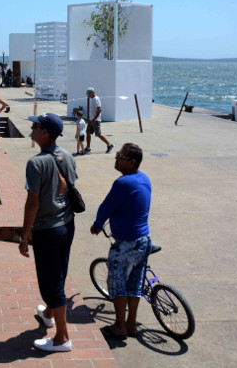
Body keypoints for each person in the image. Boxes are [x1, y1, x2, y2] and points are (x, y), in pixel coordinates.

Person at [19, 113, 77, 353]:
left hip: (47, 229)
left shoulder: (36, 163)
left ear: (45, 133)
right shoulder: (69, 156)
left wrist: (24, 236)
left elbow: (32, 203)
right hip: (67, 224)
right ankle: (50, 312)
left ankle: (62, 337)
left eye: (35, 126)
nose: (32, 129)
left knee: (51, 281)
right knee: (59, 271)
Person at [90, 143, 151, 340]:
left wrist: (98, 225)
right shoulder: (144, 179)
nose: (116, 158)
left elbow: (105, 207)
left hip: (126, 242)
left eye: (120, 156)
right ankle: (131, 324)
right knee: (134, 283)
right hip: (143, 240)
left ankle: (119, 326)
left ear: (131, 162)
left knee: (117, 283)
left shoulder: (122, 183)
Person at [86, 87, 114, 154]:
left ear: (92, 93)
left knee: (98, 134)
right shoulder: (92, 99)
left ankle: (109, 145)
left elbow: (100, 109)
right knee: (88, 132)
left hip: (95, 120)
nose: (88, 96)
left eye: (88, 94)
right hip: (91, 120)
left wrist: (95, 119)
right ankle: (88, 148)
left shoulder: (96, 99)